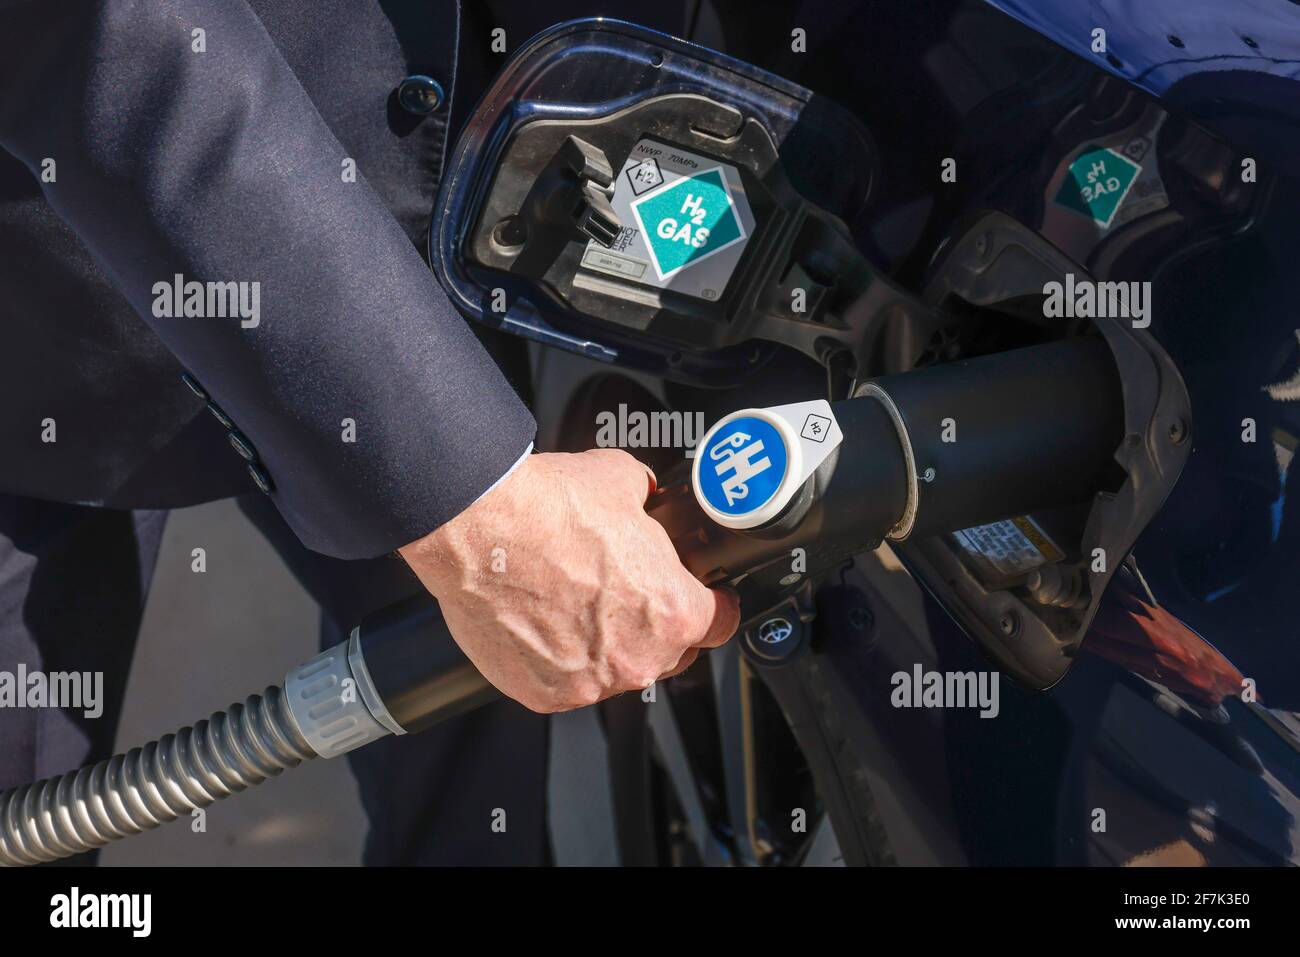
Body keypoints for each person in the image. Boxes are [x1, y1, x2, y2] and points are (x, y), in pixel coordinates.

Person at [0, 0, 737, 864]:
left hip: (418, 285)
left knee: (475, 800)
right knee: (33, 809)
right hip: (42, 321)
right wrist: (477, 508)